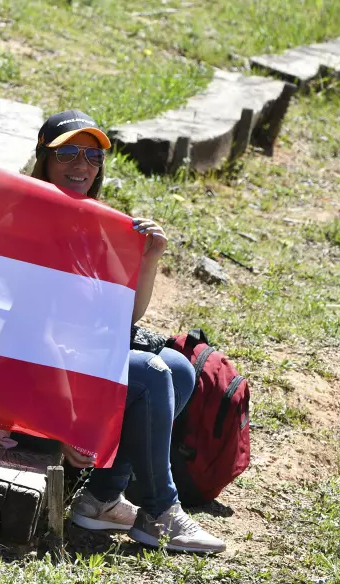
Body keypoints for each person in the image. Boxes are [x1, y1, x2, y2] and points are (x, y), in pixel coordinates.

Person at [30, 111, 225, 554]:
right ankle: (160, 511)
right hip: (34, 375)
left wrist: (150, 257)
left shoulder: (94, 225)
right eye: (67, 152)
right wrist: (59, 423)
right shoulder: (29, 219)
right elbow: (27, 331)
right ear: (43, 157)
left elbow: (124, 319)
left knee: (178, 367)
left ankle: (101, 497)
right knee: (152, 372)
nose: (81, 164)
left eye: (92, 154)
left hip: (75, 361)